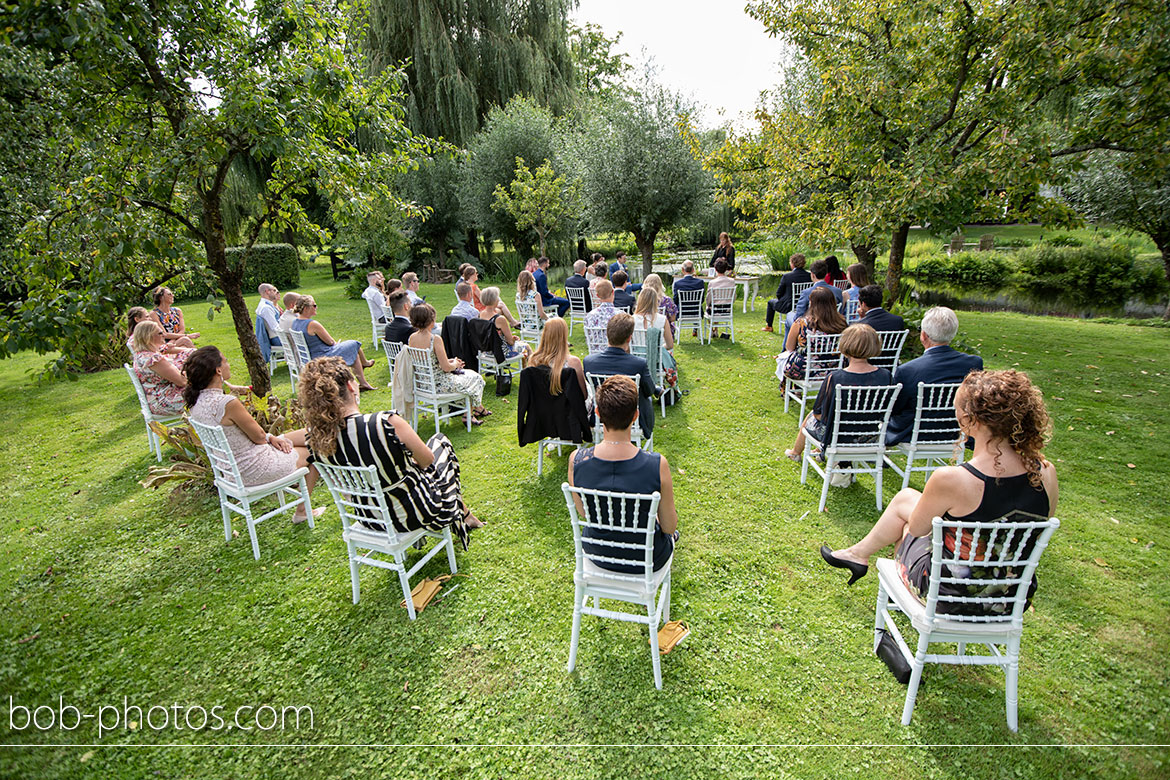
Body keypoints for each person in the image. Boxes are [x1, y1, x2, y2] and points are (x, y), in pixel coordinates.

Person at [819, 370, 1058, 608]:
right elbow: (1031, 530)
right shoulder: (1047, 472)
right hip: (1009, 599)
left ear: (969, 421)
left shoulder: (953, 479)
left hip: (948, 596)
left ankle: (863, 559)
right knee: (911, 504)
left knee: (906, 517)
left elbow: (917, 528)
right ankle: (857, 554)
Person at [299, 356, 481, 549]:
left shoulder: (317, 440)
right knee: (440, 442)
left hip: (370, 518)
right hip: (415, 513)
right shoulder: (384, 423)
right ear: (351, 387)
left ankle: (464, 514)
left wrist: (273, 438)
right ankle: (462, 515)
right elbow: (427, 460)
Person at [185, 346, 323, 521]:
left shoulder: (196, 404)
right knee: (316, 450)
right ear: (218, 370)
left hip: (231, 470)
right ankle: (302, 511)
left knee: (309, 435)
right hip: (254, 468)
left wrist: (271, 437)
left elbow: (258, 437)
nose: (228, 364)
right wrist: (268, 438)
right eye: (225, 361)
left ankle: (325, 434)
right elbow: (258, 437)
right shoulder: (227, 403)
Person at [567, 375, 679, 574]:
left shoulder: (577, 460)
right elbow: (669, 526)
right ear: (635, 415)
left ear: (598, 412)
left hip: (597, 554)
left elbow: (585, 512)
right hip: (648, 560)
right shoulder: (657, 463)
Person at [784, 324, 893, 488]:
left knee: (810, 417)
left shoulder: (835, 377)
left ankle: (795, 453)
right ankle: (838, 463)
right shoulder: (886, 376)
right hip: (868, 436)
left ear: (845, 346)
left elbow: (820, 414)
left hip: (837, 436)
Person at [885, 306, 983, 445]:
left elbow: (895, 408)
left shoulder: (907, 370)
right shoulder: (974, 363)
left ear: (923, 335)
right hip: (956, 431)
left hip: (914, 433)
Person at [406, 303, 490, 422]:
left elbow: (427, 361)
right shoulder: (434, 339)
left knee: (468, 376)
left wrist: (450, 361)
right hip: (439, 384)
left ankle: (478, 408)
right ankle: (468, 415)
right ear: (432, 320)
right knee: (476, 377)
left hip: (422, 384)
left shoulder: (412, 338)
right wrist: (455, 364)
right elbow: (446, 368)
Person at [583, 313, 661, 440]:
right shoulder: (639, 364)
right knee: (647, 399)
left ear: (607, 334)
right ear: (629, 338)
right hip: (632, 418)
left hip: (602, 417)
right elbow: (649, 391)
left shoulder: (589, 361)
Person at [290, 295, 377, 391]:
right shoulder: (312, 324)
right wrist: (336, 344)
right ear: (306, 308)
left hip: (311, 356)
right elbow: (330, 342)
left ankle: (363, 380)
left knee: (353, 351)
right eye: (314, 305)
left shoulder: (295, 323)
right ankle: (364, 369)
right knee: (354, 344)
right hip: (322, 357)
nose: (316, 307)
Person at [782, 286, 848, 378]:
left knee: (793, 360)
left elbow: (789, 347)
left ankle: (795, 391)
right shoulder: (842, 323)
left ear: (811, 303)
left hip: (805, 370)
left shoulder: (801, 323)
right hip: (836, 368)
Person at [129, 320, 191, 416]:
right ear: (149, 337)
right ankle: (212, 424)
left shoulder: (142, 354)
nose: (164, 335)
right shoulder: (153, 359)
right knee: (209, 388)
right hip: (165, 402)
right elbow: (182, 382)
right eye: (160, 333)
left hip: (158, 397)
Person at [526, 316, 586, 396]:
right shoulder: (573, 362)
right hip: (568, 407)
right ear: (564, 335)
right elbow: (583, 395)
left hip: (541, 407)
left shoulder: (534, 360)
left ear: (544, 334)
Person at [634, 287, 678, 394]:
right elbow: (670, 344)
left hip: (636, 359)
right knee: (669, 357)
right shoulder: (662, 319)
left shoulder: (631, 319)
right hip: (657, 361)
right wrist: (658, 349)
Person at [787, 259, 844, 329]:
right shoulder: (838, 291)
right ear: (826, 274)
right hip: (832, 324)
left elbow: (799, 315)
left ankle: (790, 339)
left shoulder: (806, 292)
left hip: (812, 326)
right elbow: (840, 312)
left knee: (789, 315)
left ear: (812, 275)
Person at [763, 253, 811, 333]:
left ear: (792, 264)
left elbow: (779, 293)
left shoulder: (787, 276)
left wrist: (782, 300)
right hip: (804, 305)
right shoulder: (809, 276)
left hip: (788, 306)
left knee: (770, 302)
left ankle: (769, 326)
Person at [478, 287, 528, 359]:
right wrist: (513, 339)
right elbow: (510, 342)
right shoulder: (500, 319)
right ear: (495, 300)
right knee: (526, 347)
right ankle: (529, 369)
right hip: (501, 353)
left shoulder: (481, 314)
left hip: (486, 351)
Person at [126, 307, 193, 355]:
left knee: (185, 343)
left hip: (162, 354)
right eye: (147, 317)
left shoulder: (138, 335)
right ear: (137, 319)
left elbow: (160, 347)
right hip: (161, 358)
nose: (150, 319)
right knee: (186, 344)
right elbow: (160, 351)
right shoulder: (141, 337)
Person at [707, 258, 736, 338]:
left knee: (710, 307)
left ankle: (713, 330)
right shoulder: (732, 281)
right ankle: (715, 330)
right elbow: (734, 297)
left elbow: (708, 298)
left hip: (715, 310)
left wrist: (707, 304)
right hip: (727, 310)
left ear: (715, 269)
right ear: (726, 269)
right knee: (714, 307)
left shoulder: (712, 282)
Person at [641, 273, 677, 338]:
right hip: (664, 332)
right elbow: (672, 318)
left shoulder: (642, 301)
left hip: (645, 331)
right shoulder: (667, 300)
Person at [255, 283, 284, 359]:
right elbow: (275, 328)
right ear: (267, 291)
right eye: (274, 290)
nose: (276, 293)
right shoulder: (266, 308)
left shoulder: (264, 305)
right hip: (276, 339)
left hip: (276, 337)